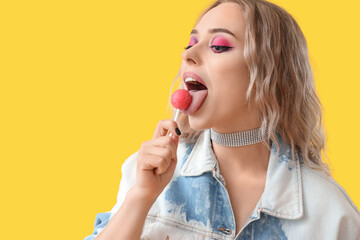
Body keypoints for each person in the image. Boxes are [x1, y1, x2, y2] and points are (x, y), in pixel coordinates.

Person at [84, 0, 360, 239]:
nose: (187, 55)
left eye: (218, 46)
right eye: (191, 43)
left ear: (269, 75)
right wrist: (141, 197)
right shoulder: (143, 174)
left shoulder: (332, 214)